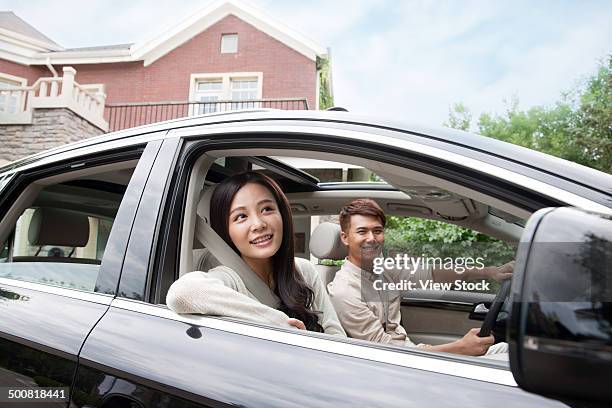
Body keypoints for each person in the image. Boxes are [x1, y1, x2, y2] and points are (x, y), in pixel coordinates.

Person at [167, 171, 345, 336]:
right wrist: (276, 322)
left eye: (267, 209)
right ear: (226, 231)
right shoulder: (229, 278)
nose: (258, 224)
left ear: (282, 215)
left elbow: (335, 335)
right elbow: (181, 294)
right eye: (241, 217)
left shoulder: (303, 270)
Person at [327, 198, 511, 356]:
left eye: (377, 231)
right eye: (362, 231)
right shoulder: (344, 291)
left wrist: (490, 272)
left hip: (413, 353)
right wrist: (460, 348)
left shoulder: (383, 270)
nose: (372, 238)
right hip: (401, 364)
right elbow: (387, 352)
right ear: (345, 238)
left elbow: (433, 273)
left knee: (505, 349)